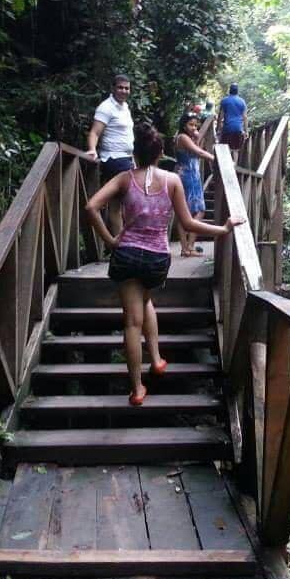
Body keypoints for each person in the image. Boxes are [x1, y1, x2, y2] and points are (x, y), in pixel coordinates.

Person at [85, 123, 244, 406]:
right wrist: (223, 229)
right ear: (160, 153)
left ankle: (137, 389)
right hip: (157, 257)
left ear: (135, 153)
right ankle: (156, 359)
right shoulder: (172, 180)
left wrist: (110, 241)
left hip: (127, 254)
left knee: (132, 323)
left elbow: (91, 207)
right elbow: (188, 222)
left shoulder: (124, 178)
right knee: (145, 301)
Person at [87, 75, 134, 235]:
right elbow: (94, 132)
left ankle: (120, 242)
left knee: (119, 204)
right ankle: (121, 243)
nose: (124, 91)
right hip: (114, 159)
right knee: (123, 203)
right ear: (113, 88)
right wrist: (92, 149)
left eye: (127, 88)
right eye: (120, 87)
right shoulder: (106, 107)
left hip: (126, 158)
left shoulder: (125, 107)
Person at [174, 111, 215, 257]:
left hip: (193, 176)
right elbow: (200, 153)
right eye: (190, 124)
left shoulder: (188, 138)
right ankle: (187, 247)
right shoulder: (182, 137)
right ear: (183, 125)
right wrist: (215, 158)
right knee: (197, 210)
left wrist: (197, 137)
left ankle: (187, 247)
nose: (193, 127)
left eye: (195, 125)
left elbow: (197, 149)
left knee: (190, 212)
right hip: (188, 177)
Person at [216, 83, 248, 154]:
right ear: (237, 91)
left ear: (229, 90)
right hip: (238, 129)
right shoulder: (242, 101)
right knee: (235, 150)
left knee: (224, 149)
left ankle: (225, 164)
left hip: (227, 129)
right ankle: (234, 165)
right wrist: (246, 131)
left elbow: (220, 117)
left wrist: (218, 129)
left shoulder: (224, 101)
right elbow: (245, 117)